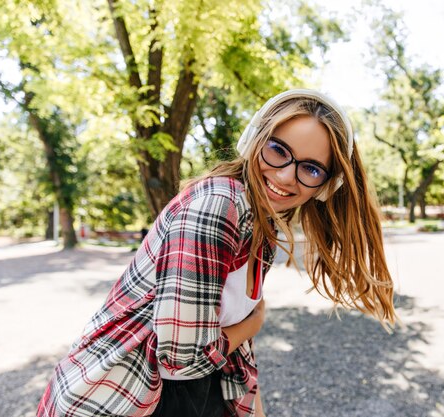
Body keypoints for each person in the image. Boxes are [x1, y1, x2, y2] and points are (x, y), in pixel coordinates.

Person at [37, 89, 396, 417]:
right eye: (278, 150)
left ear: (325, 185)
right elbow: (182, 359)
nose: (287, 176)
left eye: (311, 168)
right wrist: (253, 323)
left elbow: (229, 348)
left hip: (184, 394)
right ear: (255, 139)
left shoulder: (262, 223)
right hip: (118, 399)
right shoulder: (218, 207)